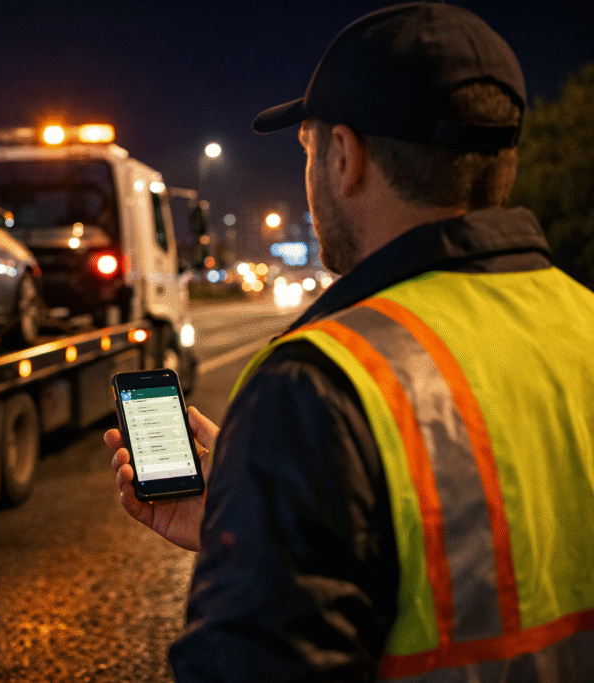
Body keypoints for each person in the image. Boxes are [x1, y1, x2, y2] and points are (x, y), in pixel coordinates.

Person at [107, 3, 594, 681]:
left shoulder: (317, 383)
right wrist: (248, 521)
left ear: (344, 157)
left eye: (307, 148)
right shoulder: (583, 319)